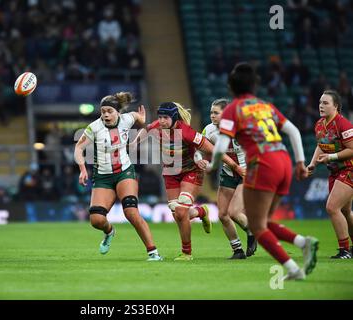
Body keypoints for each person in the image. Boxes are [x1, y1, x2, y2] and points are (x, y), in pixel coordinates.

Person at [207, 62, 318, 280]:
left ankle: (302, 247)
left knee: (257, 226)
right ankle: (297, 264)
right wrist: (300, 163)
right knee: (263, 222)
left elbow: (220, 145)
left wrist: (212, 165)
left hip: (263, 163)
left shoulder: (233, 109)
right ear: (254, 85)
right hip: (283, 159)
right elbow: (294, 131)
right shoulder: (264, 106)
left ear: (231, 86)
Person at [134, 102, 245, 261]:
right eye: (160, 117)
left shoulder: (187, 132)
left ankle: (187, 253)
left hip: (191, 172)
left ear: (173, 117)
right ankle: (201, 212)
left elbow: (215, 150)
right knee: (177, 214)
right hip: (171, 174)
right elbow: (145, 131)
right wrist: (132, 143)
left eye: (166, 117)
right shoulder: (158, 125)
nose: (162, 121)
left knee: (180, 212)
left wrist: (235, 167)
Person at [74, 92, 162, 261]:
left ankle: (153, 253)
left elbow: (136, 116)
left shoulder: (127, 119)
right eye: (103, 111)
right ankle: (109, 231)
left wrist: (141, 118)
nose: (106, 114)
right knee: (96, 220)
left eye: (109, 111)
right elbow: (78, 148)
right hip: (103, 177)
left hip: (124, 172)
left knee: (131, 212)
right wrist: (82, 169)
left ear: (117, 112)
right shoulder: (94, 127)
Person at [195, 98, 257, 259]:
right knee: (222, 214)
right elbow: (198, 150)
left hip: (247, 173)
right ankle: (237, 251)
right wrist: (199, 159)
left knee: (235, 212)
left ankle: (253, 232)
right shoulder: (208, 130)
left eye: (216, 113)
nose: (212, 116)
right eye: (211, 113)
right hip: (229, 173)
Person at [305, 90, 353, 259]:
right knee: (345, 211)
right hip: (334, 172)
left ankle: (344, 250)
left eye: (325, 103)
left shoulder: (343, 124)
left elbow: (352, 149)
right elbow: (321, 145)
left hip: (349, 170)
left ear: (336, 107)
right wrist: (312, 163)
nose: (321, 106)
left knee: (332, 207)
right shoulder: (319, 124)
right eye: (320, 102)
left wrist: (331, 157)